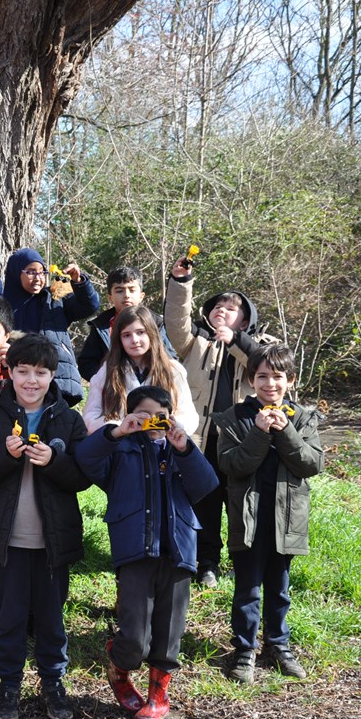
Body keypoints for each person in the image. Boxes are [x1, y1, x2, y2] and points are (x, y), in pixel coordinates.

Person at [0, 334, 92, 719]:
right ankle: (8, 684)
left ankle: (53, 682)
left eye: (41, 372)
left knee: (52, 619)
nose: (31, 381)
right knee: (9, 617)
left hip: (53, 542)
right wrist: (5, 454)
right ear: (10, 373)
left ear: (53, 375)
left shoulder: (69, 419)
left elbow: (82, 477)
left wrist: (53, 460)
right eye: (23, 372)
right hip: (6, 540)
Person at [76, 385, 217, 719]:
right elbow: (84, 459)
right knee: (135, 636)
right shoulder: (120, 448)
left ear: (170, 416)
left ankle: (158, 695)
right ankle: (120, 666)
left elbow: (207, 485)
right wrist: (117, 431)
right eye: (144, 415)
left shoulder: (179, 448)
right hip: (135, 549)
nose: (153, 422)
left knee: (170, 630)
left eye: (160, 415)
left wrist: (185, 450)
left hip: (179, 549)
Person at [212, 344, 323, 684]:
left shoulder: (302, 418)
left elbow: (310, 464)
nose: (269, 384)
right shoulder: (234, 418)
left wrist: (284, 430)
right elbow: (231, 464)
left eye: (277, 377)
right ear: (250, 380)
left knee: (280, 587)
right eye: (262, 377)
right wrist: (260, 432)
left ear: (290, 380)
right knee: (247, 588)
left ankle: (278, 646)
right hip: (248, 517)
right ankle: (244, 649)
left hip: (287, 517)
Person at [165, 256, 277, 587]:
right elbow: (175, 324)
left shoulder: (261, 345)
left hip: (244, 441)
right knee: (207, 501)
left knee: (242, 503)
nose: (221, 312)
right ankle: (207, 562)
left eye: (230, 309)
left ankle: (243, 562)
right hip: (204, 438)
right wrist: (181, 283)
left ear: (244, 321)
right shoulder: (196, 342)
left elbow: (263, 364)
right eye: (217, 307)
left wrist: (236, 341)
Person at [2, 248, 99, 405]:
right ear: (15, 273)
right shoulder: (4, 305)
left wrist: (79, 282)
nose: (38, 278)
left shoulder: (54, 299)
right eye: (31, 272)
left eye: (42, 272)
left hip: (55, 382)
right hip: (17, 382)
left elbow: (90, 306)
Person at [83, 306, 198, 435]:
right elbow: (90, 416)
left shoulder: (173, 370)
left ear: (151, 333)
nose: (134, 340)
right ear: (119, 340)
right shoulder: (108, 370)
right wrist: (120, 428)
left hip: (162, 446)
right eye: (126, 335)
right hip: (119, 448)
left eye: (140, 332)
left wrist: (152, 425)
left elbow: (188, 417)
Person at [78, 266, 176, 381]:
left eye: (132, 290)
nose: (126, 295)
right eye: (119, 291)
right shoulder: (102, 325)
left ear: (141, 296)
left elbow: (169, 359)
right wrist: (108, 379)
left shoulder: (156, 323)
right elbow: (87, 363)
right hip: (113, 392)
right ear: (110, 298)